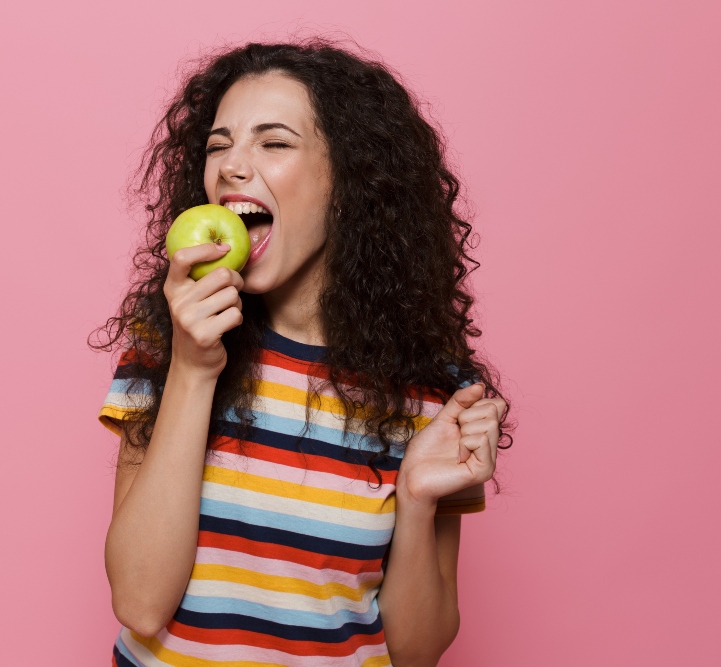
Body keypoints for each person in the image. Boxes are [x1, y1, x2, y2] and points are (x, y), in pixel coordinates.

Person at [89, 38, 513, 667]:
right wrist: (193, 370)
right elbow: (140, 602)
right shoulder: (170, 341)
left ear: (349, 182)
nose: (231, 166)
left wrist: (419, 499)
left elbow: (417, 652)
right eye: (218, 144)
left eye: (274, 142)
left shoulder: (433, 391)